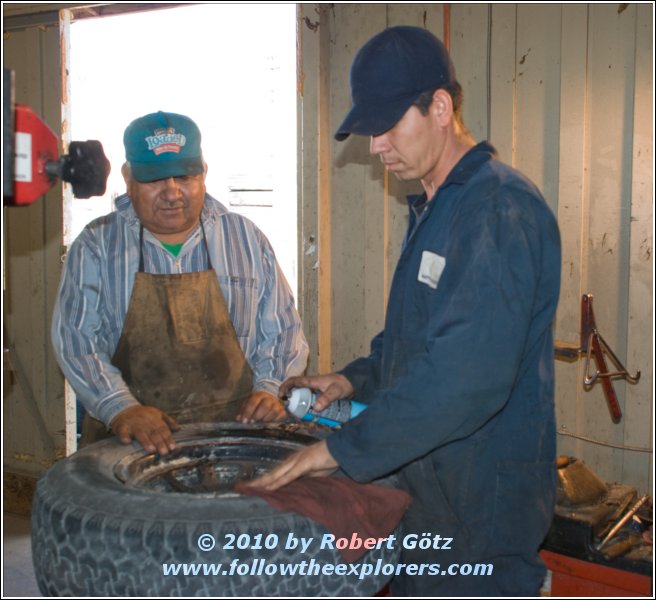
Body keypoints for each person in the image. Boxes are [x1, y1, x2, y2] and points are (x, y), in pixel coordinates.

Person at [248, 26, 561, 597]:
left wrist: (340, 449)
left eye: (390, 125)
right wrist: (352, 378)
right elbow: (416, 340)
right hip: (431, 494)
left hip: (481, 510)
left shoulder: (497, 209)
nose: (376, 146)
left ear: (440, 107)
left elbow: (465, 381)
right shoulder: (436, 207)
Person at [52, 111, 308, 456]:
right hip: (130, 445)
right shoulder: (97, 245)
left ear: (203, 172)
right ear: (128, 178)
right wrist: (120, 407)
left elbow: (282, 329)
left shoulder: (245, 239)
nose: (172, 193)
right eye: (154, 179)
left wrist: (270, 388)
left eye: (184, 176)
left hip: (235, 439)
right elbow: (76, 339)